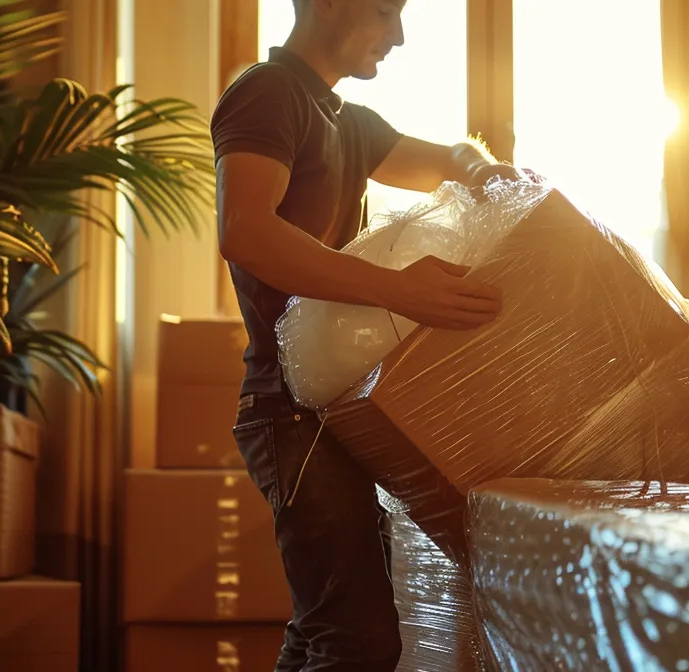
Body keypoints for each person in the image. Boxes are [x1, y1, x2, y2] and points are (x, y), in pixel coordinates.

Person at [210, 0, 519, 669]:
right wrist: (402, 289)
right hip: (288, 414)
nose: (399, 37)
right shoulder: (267, 95)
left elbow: (449, 158)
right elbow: (245, 231)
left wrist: (488, 172)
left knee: (326, 634)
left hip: (331, 408)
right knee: (354, 640)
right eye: (385, 12)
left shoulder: (346, 120)